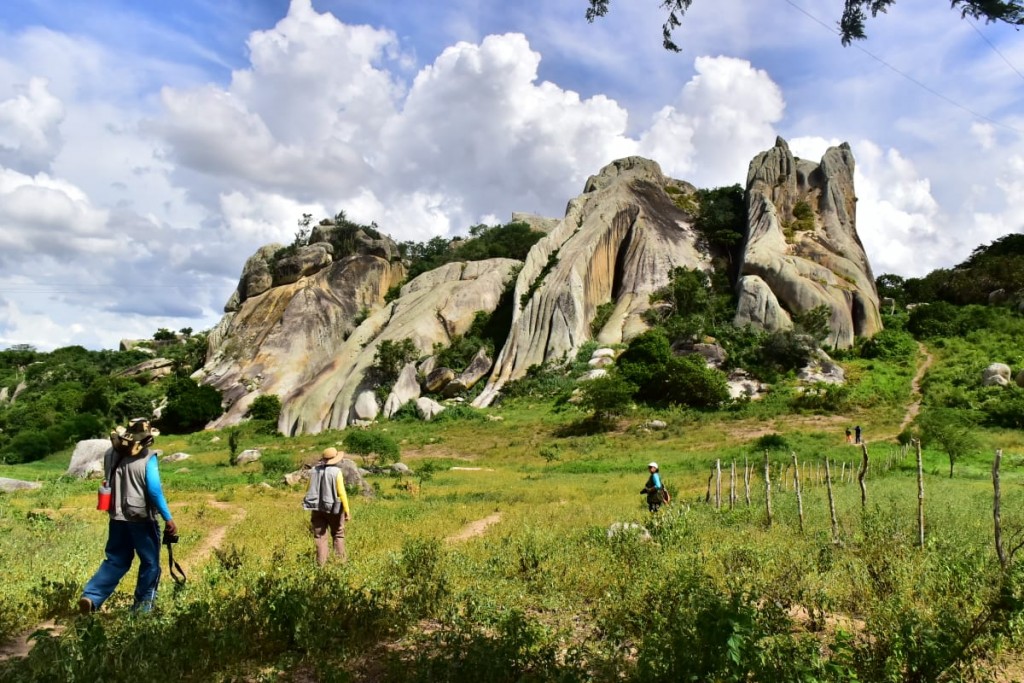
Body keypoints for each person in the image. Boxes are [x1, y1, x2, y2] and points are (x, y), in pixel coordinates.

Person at [79, 418, 176, 614]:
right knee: (150, 563)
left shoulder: (110, 453)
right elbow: (154, 490)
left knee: (116, 559)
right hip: (141, 518)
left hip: (116, 516)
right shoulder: (148, 457)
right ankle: (142, 608)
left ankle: (91, 596)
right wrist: (168, 518)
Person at [303, 447, 352, 565]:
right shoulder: (336, 472)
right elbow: (341, 492)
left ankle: (321, 565)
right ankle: (340, 563)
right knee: (338, 535)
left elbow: (307, 489)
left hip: (317, 508)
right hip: (334, 509)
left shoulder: (314, 471)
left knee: (319, 536)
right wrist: (347, 510)